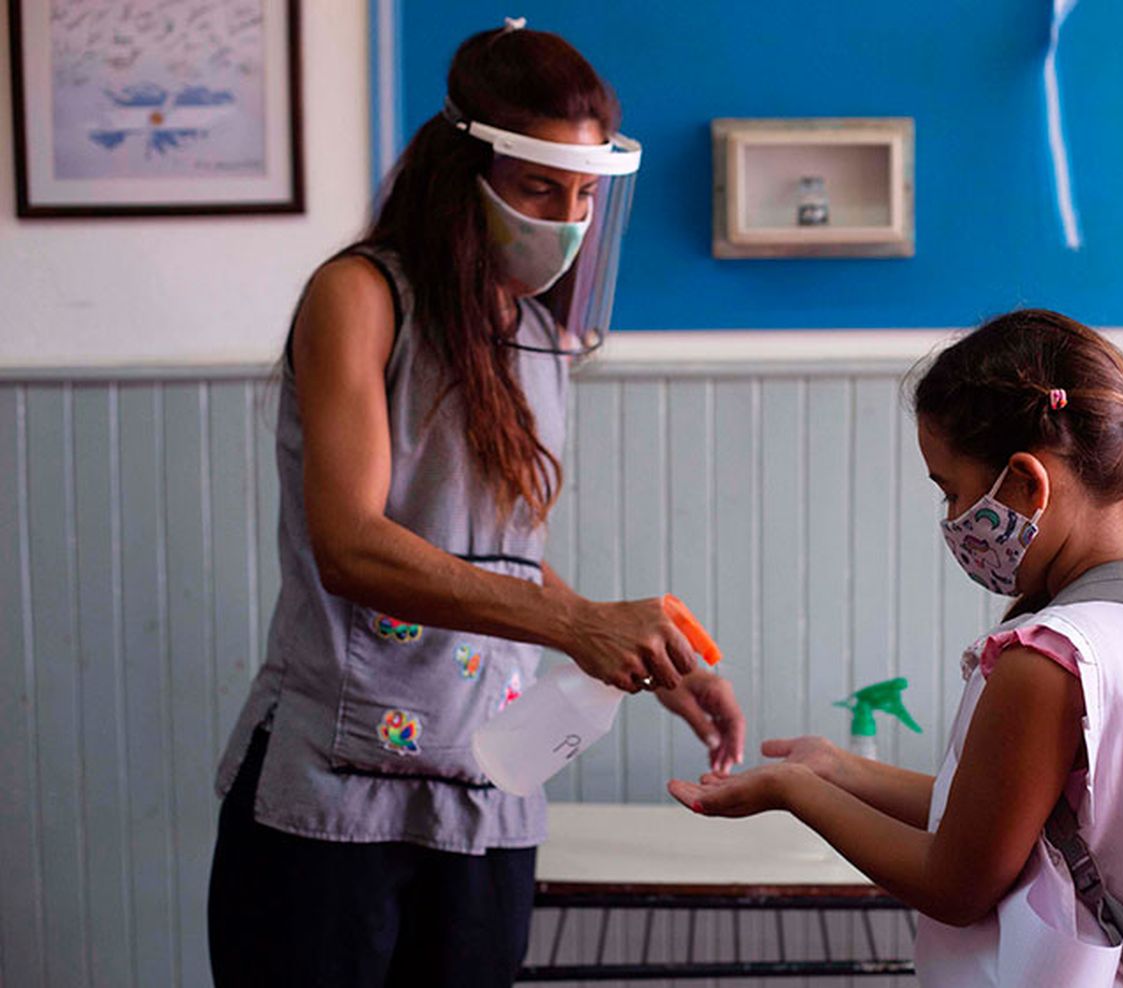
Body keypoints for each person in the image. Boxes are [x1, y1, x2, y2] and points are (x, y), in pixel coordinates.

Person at [208, 21, 743, 988]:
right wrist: (576, 623)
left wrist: (654, 659)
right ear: (464, 169)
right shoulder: (363, 296)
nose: (567, 219)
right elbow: (352, 546)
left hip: (487, 783)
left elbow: (496, 554)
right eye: (541, 187)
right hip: (336, 785)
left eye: (585, 194)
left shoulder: (537, 337)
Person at [669, 309, 1123, 987]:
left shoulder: (1050, 658)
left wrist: (795, 792)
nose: (951, 519)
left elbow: (955, 884)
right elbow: (1009, 814)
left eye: (951, 491)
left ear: (1028, 485)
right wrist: (838, 769)